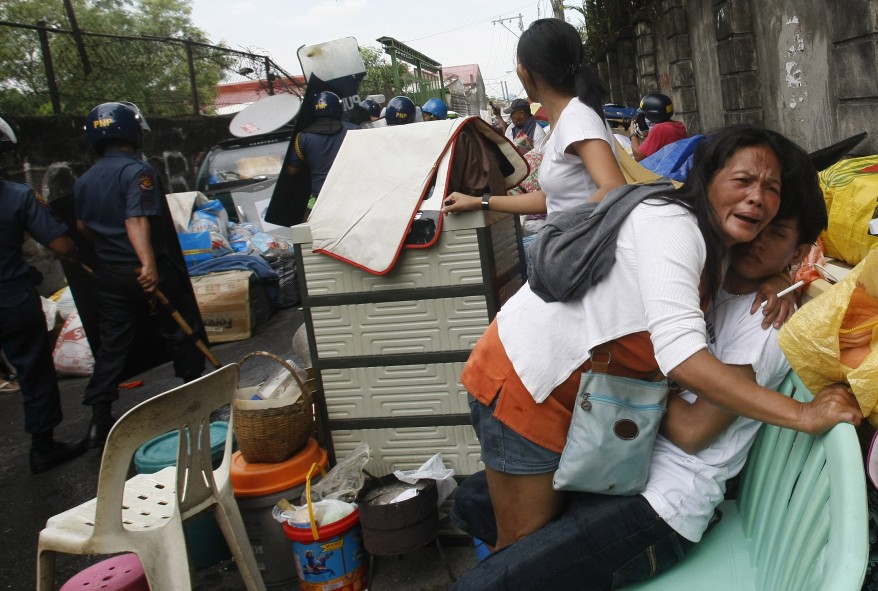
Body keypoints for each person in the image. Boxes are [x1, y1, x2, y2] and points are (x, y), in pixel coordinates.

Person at [456, 124, 861, 552]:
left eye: (770, 188)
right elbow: (683, 359)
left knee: (527, 539)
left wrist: (781, 275)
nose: (757, 199)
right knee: (520, 543)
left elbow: (761, 261)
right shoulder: (674, 227)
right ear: (707, 181)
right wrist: (802, 415)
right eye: (742, 180)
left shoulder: (716, 240)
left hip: (582, 403)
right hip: (530, 384)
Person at [74, 101, 206, 448]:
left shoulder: (84, 180)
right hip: (149, 270)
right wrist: (146, 263)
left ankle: (99, 420)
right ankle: (196, 401)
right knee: (181, 331)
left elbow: (82, 226)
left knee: (113, 346)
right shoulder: (138, 172)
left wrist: (108, 245)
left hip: (110, 275)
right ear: (132, 133)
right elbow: (136, 219)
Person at [442, 19, 625, 221]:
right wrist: (479, 201)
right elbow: (550, 200)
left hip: (584, 248)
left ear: (524, 72)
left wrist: (560, 235)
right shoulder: (568, 119)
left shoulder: (576, 117)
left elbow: (614, 187)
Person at [0, 116, 88, 473]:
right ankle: (43, 446)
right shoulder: (17, 195)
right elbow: (61, 243)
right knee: (33, 369)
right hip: (10, 297)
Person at [285, 91, 359, 212]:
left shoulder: (303, 137)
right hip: (352, 196)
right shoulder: (355, 130)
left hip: (319, 201)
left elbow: (291, 170)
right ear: (339, 108)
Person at [629, 93, 688, 161]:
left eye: (644, 115)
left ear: (652, 115)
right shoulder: (678, 125)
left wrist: (633, 134)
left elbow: (638, 156)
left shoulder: (659, 129)